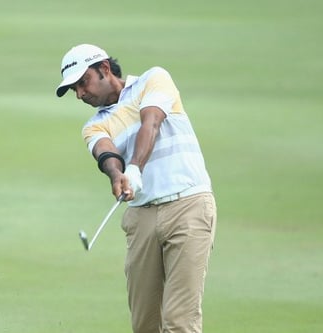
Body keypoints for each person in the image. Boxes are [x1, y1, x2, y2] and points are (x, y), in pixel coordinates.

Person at [55, 43, 217, 333]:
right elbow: (106, 155)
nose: (80, 94)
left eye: (83, 83)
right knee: (144, 325)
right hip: (142, 217)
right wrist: (118, 175)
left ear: (104, 69)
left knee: (179, 322)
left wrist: (135, 168)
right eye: (74, 90)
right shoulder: (94, 125)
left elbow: (151, 123)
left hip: (188, 206)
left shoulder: (154, 79)